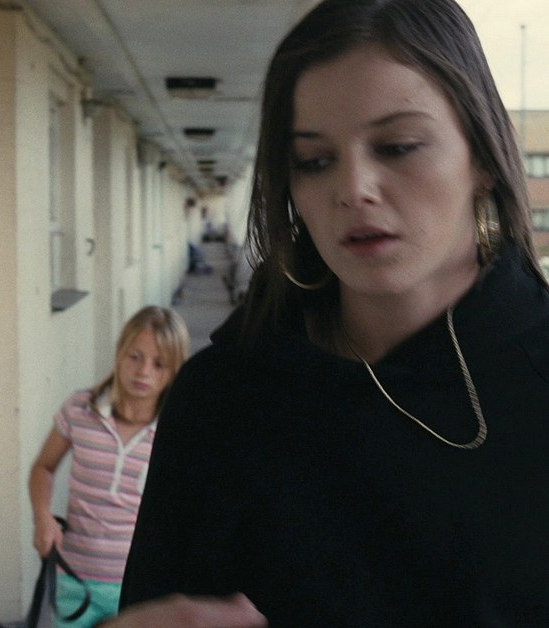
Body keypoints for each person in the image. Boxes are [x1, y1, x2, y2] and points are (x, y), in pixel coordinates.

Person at [111, 0, 549, 626]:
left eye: (397, 147)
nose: (353, 189)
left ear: (481, 154)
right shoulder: (220, 398)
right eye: (314, 161)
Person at [29, 305, 190, 627]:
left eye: (159, 364)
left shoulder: (178, 431)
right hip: (76, 581)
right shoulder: (80, 409)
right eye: (135, 357)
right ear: (119, 352)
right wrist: (43, 516)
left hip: (138, 587)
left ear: (175, 371)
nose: (143, 371)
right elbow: (43, 467)